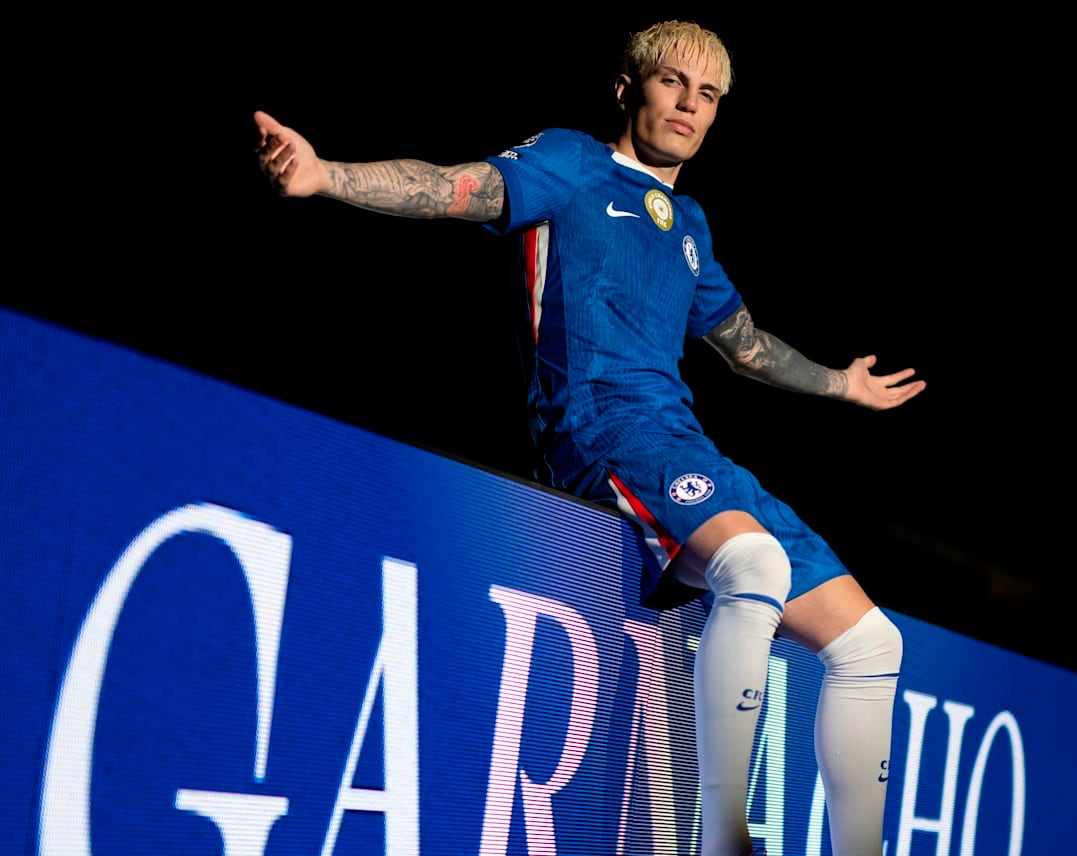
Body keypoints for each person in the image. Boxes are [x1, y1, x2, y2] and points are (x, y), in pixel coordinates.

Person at [255, 19, 924, 856]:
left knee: (872, 641)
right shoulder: (572, 163)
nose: (689, 105)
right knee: (755, 563)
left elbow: (743, 343)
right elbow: (453, 186)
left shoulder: (689, 223)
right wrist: (327, 176)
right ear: (628, 88)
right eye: (673, 83)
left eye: (708, 94)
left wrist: (841, 384)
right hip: (600, 432)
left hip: (688, 446)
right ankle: (722, 839)